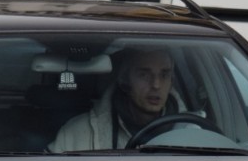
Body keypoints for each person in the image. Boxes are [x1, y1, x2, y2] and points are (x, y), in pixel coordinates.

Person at [48, 47, 180, 151]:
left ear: (171, 81)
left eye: (164, 75)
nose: (156, 85)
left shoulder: (193, 130)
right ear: (124, 81)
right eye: (143, 74)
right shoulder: (75, 133)